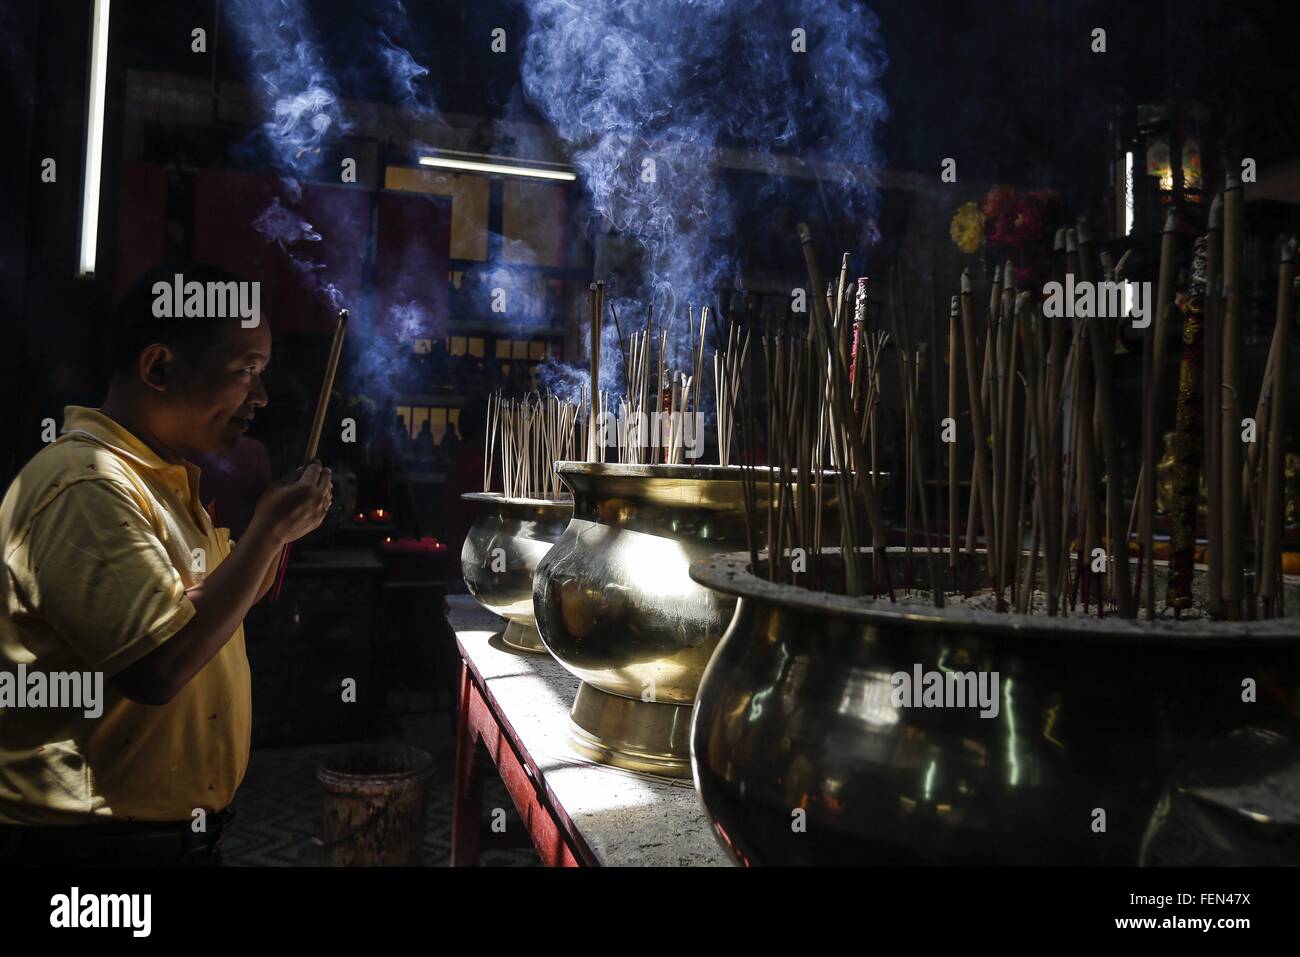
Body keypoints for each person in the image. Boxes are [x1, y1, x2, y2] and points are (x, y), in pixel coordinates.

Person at [0, 265, 332, 866]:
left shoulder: (158, 481)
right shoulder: (86, 486)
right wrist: (268, 530)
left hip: (168, 841)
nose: (260, 396)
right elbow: (158, 664)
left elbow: (225, 601)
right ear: (158, 367)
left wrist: (288, 525)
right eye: (246, 371)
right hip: (90, 851)